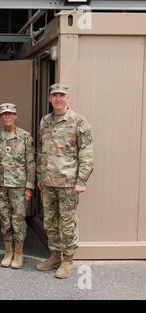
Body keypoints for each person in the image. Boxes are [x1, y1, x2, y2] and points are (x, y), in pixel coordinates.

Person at [36, 83, 94, 279]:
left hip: (69, 183)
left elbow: (86, 153)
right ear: (50, 99)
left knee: (67, 223)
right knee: (50, 222)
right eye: (55, 96)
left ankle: (68, 260)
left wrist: (81, 180)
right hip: (48, 182)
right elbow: (41, 151)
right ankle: (55, 256)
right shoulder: (45, 121)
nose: (58, 99)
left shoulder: (78, 122)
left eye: (62, 96)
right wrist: (40, 176)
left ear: (67, 98)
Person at [0, 103, 35, 269]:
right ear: (0, 117)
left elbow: (30, 163)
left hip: (19, 186)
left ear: (16, 116)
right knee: (5, 220)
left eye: (10, 114)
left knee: (18, 220)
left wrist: (29, 187)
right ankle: (8, 251)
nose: (7, 117)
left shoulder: (25, 137)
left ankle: (18, 253)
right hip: (1, 185)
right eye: (4, 114)